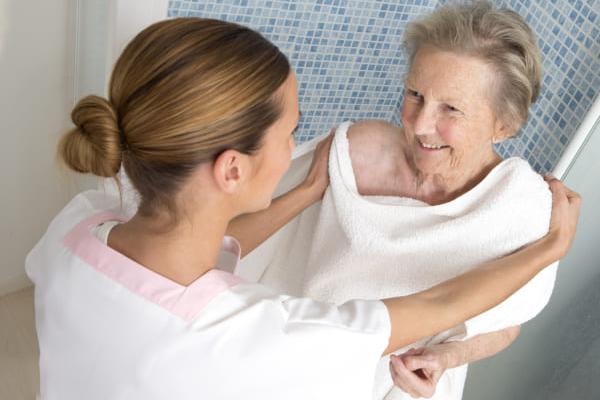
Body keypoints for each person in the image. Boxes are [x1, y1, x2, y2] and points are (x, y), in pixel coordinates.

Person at [26, 17, 580, 400]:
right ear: (232, 170)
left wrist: (301, 194)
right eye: (291, 133)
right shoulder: (261, 339)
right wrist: (552, 248)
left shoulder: (75, 227)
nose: (304, 145)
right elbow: (435, 305)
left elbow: (195, 250)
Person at [239, 2, 570, 399]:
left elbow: (505, 322)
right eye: (415, 94)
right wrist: (307, 190)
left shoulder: (522, 212)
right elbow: (237, 231)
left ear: (505, 124)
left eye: (451, 108)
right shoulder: (355, 153)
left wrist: (446, 357)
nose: (420, 123)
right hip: (294, 361)